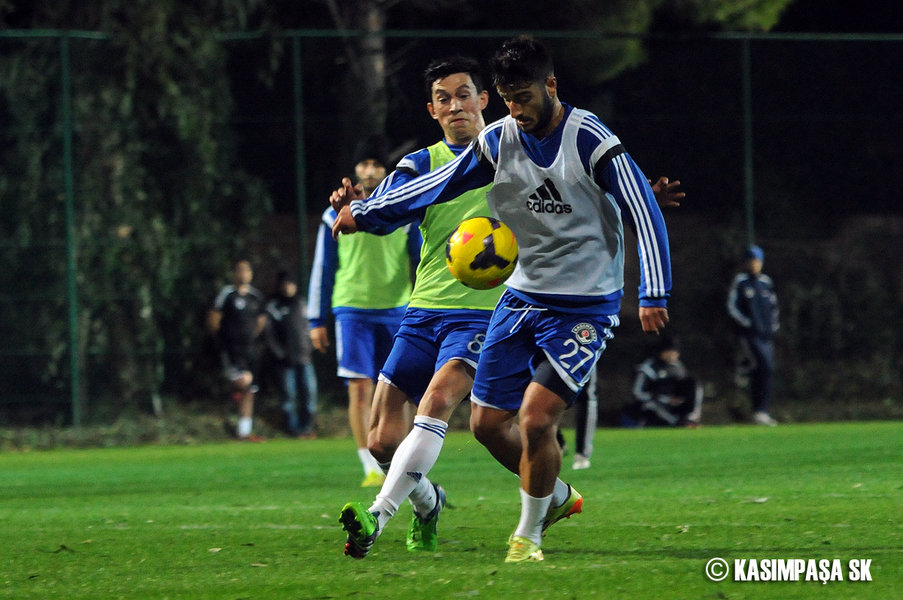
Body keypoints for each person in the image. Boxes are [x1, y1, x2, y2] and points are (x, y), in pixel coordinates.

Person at [332, 36, 672, 563]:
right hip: (513, 300)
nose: (516, 110)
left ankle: (525, 536)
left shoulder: (590, 138)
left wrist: (653, 290)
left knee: (534, 418)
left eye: (524, 98)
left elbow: (641, 207)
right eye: (509, 99)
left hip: (580, 307)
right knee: (483, 425)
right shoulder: (495, 142)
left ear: (550, 86)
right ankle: (552, 495)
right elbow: (434, 186)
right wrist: (366, 213)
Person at [308, 134, 422, 486]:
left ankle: (403, 461)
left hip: (398, 308)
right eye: (364, 164)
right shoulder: (334, 213)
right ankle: (370, 467)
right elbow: (323, 269)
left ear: (386, 170)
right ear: (356, 169)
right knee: (359, 388)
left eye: (376, 165)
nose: (370, 170)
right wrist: (316, 319)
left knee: (403, 390)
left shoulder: (403, 210)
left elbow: (421, 260)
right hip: (352, 309)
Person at [207, 259, 267, 442]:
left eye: (246, 270)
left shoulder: (256, 296)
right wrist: (222, 340)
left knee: (250, 390)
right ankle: (225, 394)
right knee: (244, 383)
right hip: (232, 349)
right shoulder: (227, 294)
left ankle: (244, 432)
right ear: (234, 273)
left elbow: (261, 321)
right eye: (240, 270)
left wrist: (251, 337)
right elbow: (213, 320)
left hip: (250, 349)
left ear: (251, 274)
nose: (243, 274)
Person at [727, 245, 779, 426]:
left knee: (766, 369)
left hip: (766, 336)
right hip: (749, 335)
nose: (754, 264)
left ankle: (761, 411)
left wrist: (773, 326)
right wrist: (748, 323)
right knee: (763, 365)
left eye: (757, 261)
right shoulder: (741, 282)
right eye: (751, 261)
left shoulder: (766, 282)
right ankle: (759, 409)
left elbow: (774, 307)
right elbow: (732, 307)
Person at [265, 269, 317, 438]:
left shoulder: (301, 304)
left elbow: (309, 328)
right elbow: (269, 334)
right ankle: (292, 429)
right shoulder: (274, 307)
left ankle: (307, 428)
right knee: (288, 396)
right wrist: (279, 353)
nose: (288, 288)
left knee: (309, 394)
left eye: (290, 284)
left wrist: (309, 347)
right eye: (285, 284)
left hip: (304, 358)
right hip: (285, 361)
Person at [623, 334, 702, 427]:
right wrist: (666, 399)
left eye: (675, 352)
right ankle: (678, 423)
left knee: (693, 382)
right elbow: (637, 393)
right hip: (652, 405)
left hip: (673, 405)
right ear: (662, 352)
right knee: (652, 405)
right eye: (669, 351)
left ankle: (690, 418)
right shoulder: (648, 368)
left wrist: (678, 400)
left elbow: (685, 386)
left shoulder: (678, 367)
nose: (672, 355)